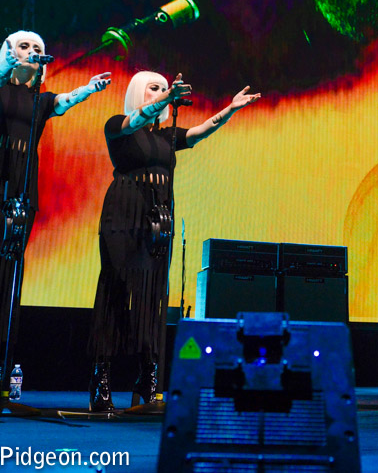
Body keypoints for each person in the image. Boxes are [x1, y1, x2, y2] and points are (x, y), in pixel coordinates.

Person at [0, 31, 111, 413]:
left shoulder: (40, 101)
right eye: (24, 46)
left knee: (5, 279)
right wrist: (8, 63)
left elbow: (64, 102)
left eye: (38, 48)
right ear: (7, 50)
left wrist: (88, 88)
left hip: (20, 192)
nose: (33, 53)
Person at [87, 71, 260, 412]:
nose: (163, 93)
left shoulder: (166, 137)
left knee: (153, 296)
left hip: (157, 218)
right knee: (117, 289)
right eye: (155, 88)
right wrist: (167, 99)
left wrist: (230, 109)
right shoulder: (118, 125)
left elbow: (198, 133)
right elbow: (138, 118)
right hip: (124, 213)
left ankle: (147, 379)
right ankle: (101, 377)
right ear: (138, 92)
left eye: (165, 89)